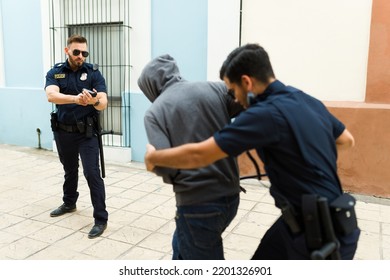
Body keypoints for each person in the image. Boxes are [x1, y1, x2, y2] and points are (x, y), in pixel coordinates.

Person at [144, 44, 360, 259]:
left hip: (317, 234)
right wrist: (305, 159)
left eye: (233, 90)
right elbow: (346, 140)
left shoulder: (263, 115)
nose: (235, 100)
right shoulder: (305, 99)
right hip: (315, 218)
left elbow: (199, 155)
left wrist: (154, 157)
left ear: (246, 82)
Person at [138, 54, 244, 259]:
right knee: (181, 248)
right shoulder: (216, 89)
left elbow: (167, 166)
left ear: (150, 86)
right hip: (231, 196)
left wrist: (152, 161)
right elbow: (246, 103)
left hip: (198, 204)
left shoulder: (155, 113)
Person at [45, 34, 108, 239]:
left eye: (84, 53)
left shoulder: (93, 73)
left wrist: (92, 101)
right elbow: (51, 95)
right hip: (63, 132)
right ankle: (69, 202)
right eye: (76, 52)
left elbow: (104, 102)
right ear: (67, 51)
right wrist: (76, 99)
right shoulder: (55, 72)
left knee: (92, 173)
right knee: (69, 169)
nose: (81, 56)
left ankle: (100, 218)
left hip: (86, 134)